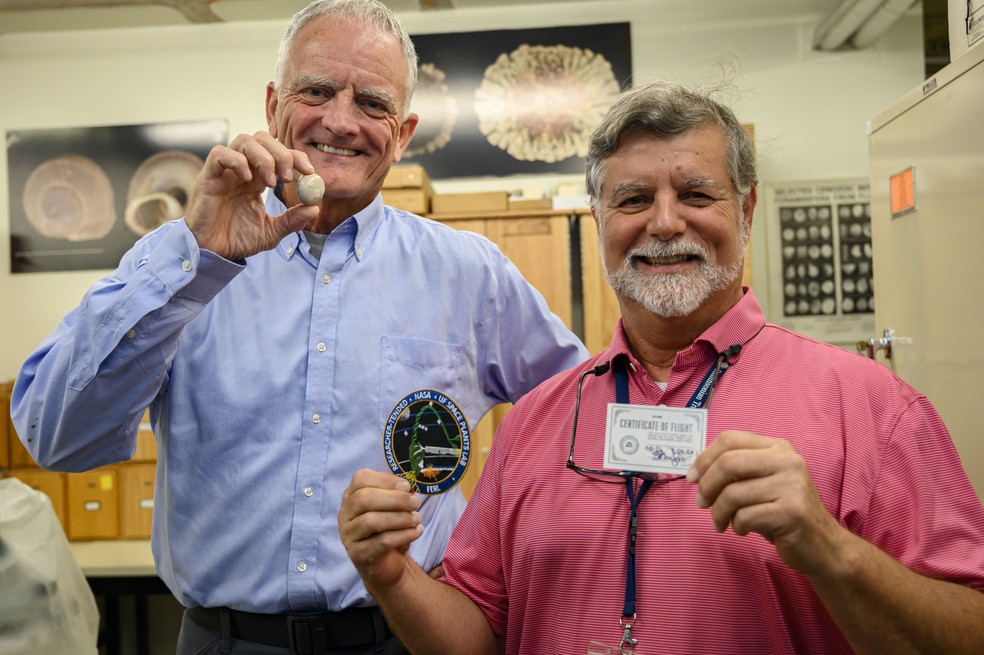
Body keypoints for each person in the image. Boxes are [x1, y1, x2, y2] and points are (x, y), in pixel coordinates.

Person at [10, 1, 587, 653]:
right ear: (272, 103)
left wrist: (491, 556)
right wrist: (194, 262)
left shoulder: (467, 274)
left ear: (403, 133)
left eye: (372, 102)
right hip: (224, 639)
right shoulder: (179, 258)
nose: (340, 120)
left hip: (404, 635)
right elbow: (56, 439)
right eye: (315, 91)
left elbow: (580, 423)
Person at [339, 80, 984, 654]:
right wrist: (392, 576)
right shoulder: (534, 422)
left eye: (696, 193)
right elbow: (476, 633)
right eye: (633, 199)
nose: (666, 222)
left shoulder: (873, 408)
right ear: (599, 221)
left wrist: (832, 552)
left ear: (747, 210)